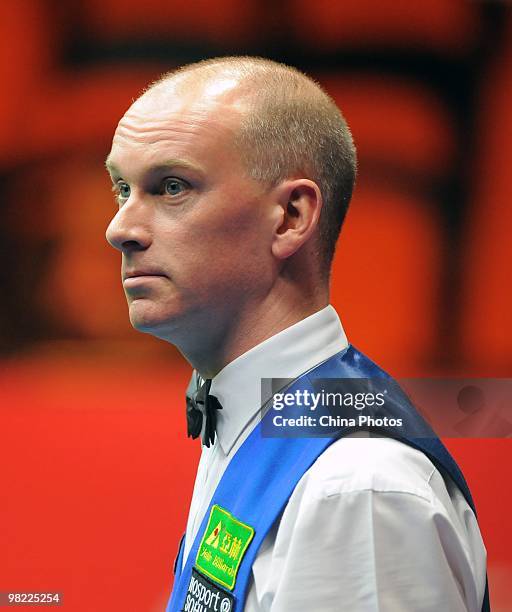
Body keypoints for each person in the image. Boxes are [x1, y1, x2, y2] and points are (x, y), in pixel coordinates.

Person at [105, 56, 488, 611]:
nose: (120, 229)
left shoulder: (355, 487)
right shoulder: (259, 420)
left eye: (171, 187)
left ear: (290, 216)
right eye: (122, 188)